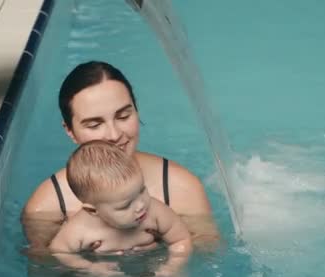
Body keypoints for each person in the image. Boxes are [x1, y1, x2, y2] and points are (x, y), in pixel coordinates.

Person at [22, 61, 219, 253]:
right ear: (70, 131)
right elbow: (44, 271)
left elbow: (209, 256)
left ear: (136, 110)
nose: (114, 134)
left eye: (123, 116)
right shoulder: (48, 204)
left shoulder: (181, 187)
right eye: (94, 125)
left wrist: (159, 254)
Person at [49, 140, 192, 277]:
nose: (140, 205)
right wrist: (88, 267)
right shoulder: (80, 229)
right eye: (125, 205)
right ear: (93, 211)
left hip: (151, 266)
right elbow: (59, 252)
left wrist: (172, 266)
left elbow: (181, 239)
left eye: (142, 191)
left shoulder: (155, 213)